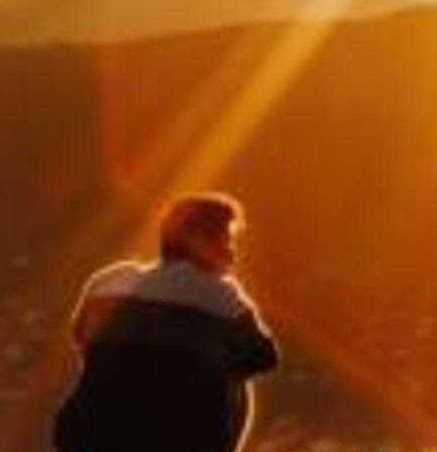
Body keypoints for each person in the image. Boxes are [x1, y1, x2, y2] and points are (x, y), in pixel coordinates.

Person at [56, 193, 281, 452]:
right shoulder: (219, 295)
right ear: (195, 240)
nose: (231, 253)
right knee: (232, 370)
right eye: (225, 240)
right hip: (177, 441)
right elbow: (264, 357)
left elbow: (80, 336)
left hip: (86, 434)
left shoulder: (109, 282)